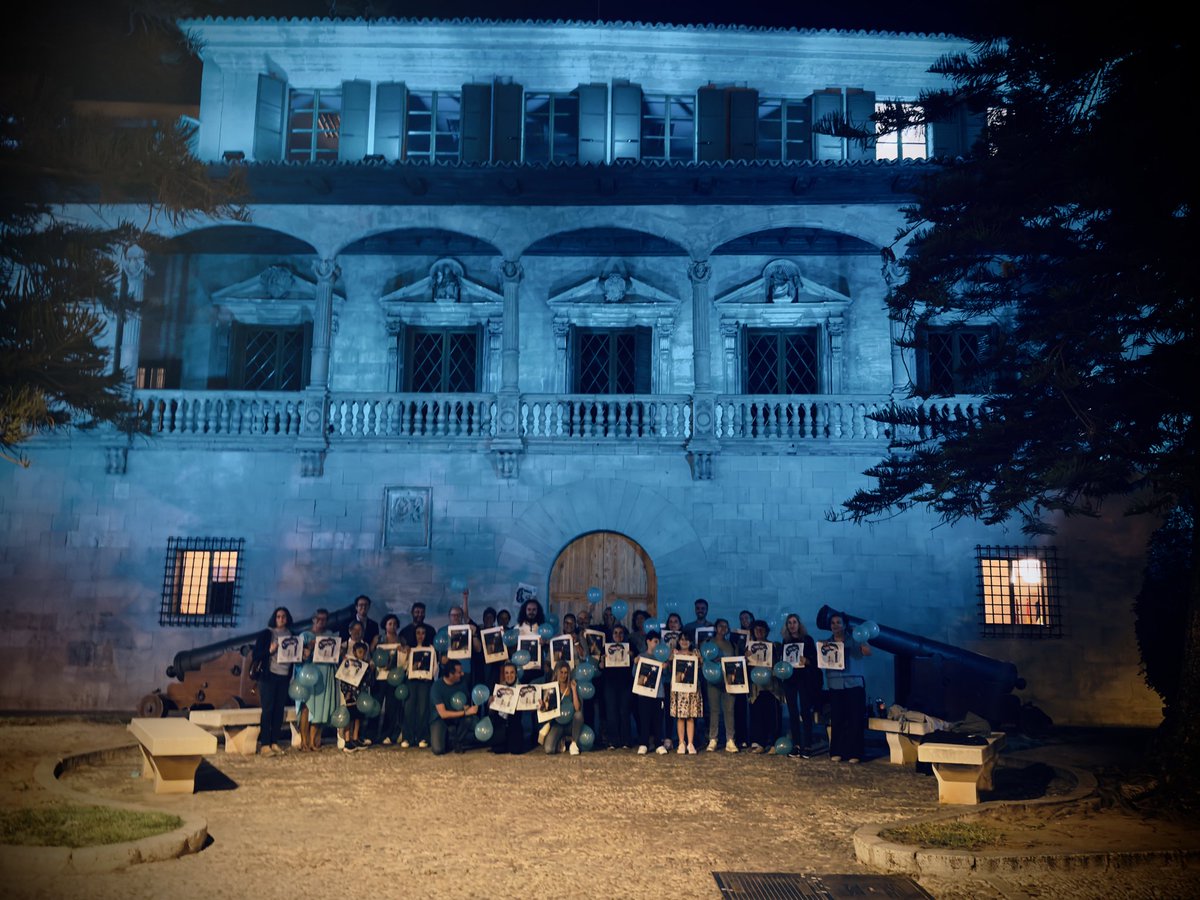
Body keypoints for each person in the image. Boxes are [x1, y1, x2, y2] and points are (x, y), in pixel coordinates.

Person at [826, 612, 871, 763]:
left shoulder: (856, 639)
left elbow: (868, 652)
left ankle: (855, 753)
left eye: (839, 622)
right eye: (833, 623)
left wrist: (862, 640)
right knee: (837, 718)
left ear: (844, 624)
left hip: (854, 683)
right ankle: (837, 751)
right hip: (835, 684)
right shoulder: (826, 643)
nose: (835, 625)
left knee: (855, 719)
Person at [251, 606, 294, 756]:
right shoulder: (267, 634)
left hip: (284, 676)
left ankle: (274, 741)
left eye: (283, 616)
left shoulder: (291, 635)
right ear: (274, 618)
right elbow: (256, 655)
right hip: (269, 676)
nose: (281, 619)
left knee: (279, 710)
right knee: (268, 710)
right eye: (278, 616)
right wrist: (269, 651)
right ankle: (265, 744)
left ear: (287, 618)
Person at [298, 608, 339, 752]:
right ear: (313, 619)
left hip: (325, 673)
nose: (321, 622)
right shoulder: (305, 636)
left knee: (322, 708)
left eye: (324, 619)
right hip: (309, 674)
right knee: (307, 708)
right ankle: (304, 741)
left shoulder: (329, 635)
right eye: (319, 619)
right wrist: (309, 648)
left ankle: (315, 741)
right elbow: (299, 658)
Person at [780, 613, 821, 757]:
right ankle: (796, 744)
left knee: (805, 711)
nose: (792, 625)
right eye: (789, 623)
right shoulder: (785, 641)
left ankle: (808, 745)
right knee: (792, 712)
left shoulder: (808, 640)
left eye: (794, 622)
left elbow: (816, 660)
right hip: (790, 679)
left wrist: (807, 661)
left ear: (799, 624)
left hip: (805, 679)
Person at [430, 659, 483, 755]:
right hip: (441, 719)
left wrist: (468, 708)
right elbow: (443, 714)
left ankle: (455, 740)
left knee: (472, 723)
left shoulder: (462, 682)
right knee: (438, 750)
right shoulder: (437, 686)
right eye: (459, 672)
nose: (462, 674)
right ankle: (453, 739)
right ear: (450, 674)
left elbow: (464, 703)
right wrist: (465, 712)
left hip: (458, 718)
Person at [747, 619, 783, 752]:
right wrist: (746, 658)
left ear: (767, 631)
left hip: (772, 686)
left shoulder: (775, 646)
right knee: (757, 715)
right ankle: (759, 742)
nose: (759, 632)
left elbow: (781, 663)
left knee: (773, 715)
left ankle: (773, 743)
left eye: (762, 629)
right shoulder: (749, 647)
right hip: (756, 687)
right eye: (757, 629)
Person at [704, 618, 738, 753]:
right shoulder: (708, 643)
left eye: (726, 626)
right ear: (716, 628)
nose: (723, 628)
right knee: (714, 710)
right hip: (712, 681)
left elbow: (736, 663)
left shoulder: (732, 645)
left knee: (729, 710)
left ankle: (730, 740)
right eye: (720, 626)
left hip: (728, 681)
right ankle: (713, 739)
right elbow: (703, 660)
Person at [374, 613, 407, 746]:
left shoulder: (401, 640)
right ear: (385, 625)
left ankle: (388, 735)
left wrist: (404, 650)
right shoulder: (379, 639)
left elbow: (405, 656)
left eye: (394, 624)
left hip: (394, 678)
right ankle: (371, 735)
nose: (392, 626)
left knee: (392, 707)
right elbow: (372, 653)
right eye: (389, 624)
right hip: (379, 677)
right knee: (376, 706)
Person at [634, 631, 669, 755]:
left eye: (658, 641)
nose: (657, 644)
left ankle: (658, 743)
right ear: (648, 641)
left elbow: (665, 677)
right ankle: (644, 743)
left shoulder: (662, 658)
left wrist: (665, 668)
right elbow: (634, 675)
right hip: (643, 693)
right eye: (655, 641)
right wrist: (636, 663)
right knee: (644, 718)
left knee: (658, 719)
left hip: (658, 694)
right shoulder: (641, 656)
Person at [670, 630, 704, 754]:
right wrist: (671, 656)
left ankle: (690, 743)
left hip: (692, 689)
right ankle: (681, 743)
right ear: (678, 641)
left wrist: (700, 659)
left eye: (687, 639)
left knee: (690, 717)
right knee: (680, 717)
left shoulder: (695, 653)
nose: (684, 642)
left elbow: (701, 666)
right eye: (682, 639)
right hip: (679, 689)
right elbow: (668, 666)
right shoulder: (675, 653)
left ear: (691, 641)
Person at [402, 623, 434, 749]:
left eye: (423, 633)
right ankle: (407, 737)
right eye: (418, 633)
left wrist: (430, 676)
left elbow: (434, 667)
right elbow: (404, 667)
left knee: (423, 709)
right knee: (409, 709)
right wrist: (407, 655)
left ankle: (422, 737)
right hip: (411, 681)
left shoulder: (431, 649)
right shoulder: (411, 649)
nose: (420, 636)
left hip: (425, 682)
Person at [602, 623, 633, 749]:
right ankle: (613, 741)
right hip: (610, 684)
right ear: (612, 634)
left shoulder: (630, 647)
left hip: (625, 683)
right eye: (615, 632)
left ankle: (626, 740)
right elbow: (601, 667)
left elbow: (636, 667)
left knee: (624, 712)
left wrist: (632, 656)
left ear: (624, 635)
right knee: (611, 712)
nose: (618, 635)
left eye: (621, 633)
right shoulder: (605, 647)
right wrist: (602, 662)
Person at [337, 640, 372, 752]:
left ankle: (355, 738)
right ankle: (347, 740)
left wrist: (371, 670)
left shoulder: (365, 666)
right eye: (360, 652)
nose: (362, 654)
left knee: (358, 717)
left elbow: (369, 681)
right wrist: (346, 692)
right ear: (355, 652)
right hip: (350, 695)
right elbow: (343, 679)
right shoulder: (349, 664)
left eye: (364, 652)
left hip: (361, 696)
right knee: (349, 717)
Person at [542, 660, 583, 755]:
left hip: (570, 724)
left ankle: (574, 743)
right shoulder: (551, 688)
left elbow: (577, 709)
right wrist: (543, 705)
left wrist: (574, 690)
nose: (563, 675)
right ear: (556, 672)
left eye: (566, 673)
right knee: (549, 749)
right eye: (561, 672)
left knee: (579, 715)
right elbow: (546, 709)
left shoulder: (572, 687)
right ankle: (562, 739)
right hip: (558, 724)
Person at [488, 662, 529, 755]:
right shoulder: (500, 687)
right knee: (497, 750)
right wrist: (491, 703)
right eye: (506, 673)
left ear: (516, 674)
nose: (509, 675)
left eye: (511, 672)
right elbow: (491, 711)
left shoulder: (522, 689)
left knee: (516, 751)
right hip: (502, 723)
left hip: (515, 724)